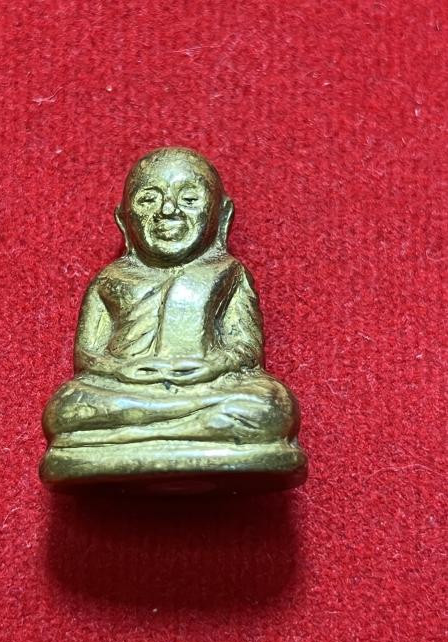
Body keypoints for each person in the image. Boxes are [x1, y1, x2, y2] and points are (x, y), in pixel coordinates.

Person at [40, 147, 306, 490]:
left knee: (271, 405)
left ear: (222, 216)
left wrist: (212, 367)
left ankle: (128, 442)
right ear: (123, 219)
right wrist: (120, 371)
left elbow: (246, 348)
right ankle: (195, 436)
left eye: (190, 199)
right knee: (65, 408)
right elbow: (87, 355)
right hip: (127, 389)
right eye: (148, 200)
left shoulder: (228, 272)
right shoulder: (110, 279)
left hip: (208, 387)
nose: (168, 211)